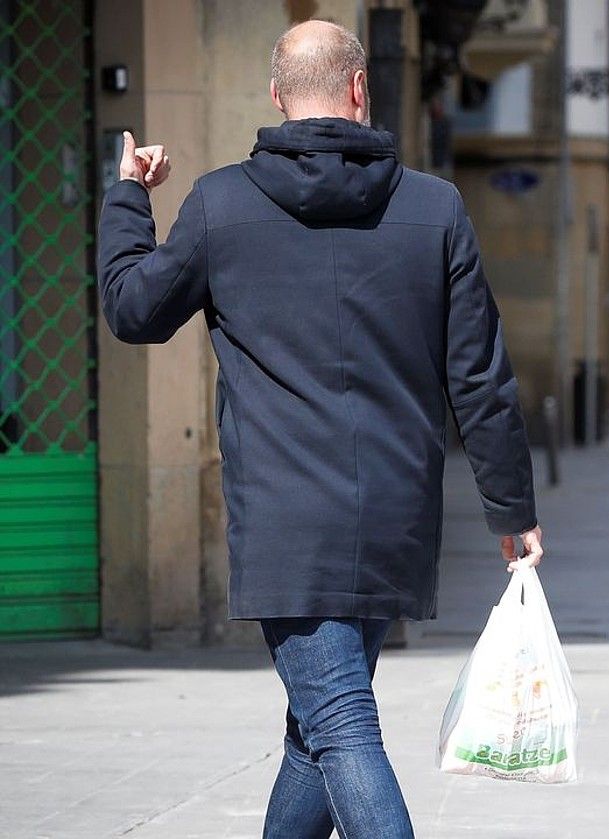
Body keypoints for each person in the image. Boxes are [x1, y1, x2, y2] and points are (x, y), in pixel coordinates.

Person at [97, 21, 541, 839]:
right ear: (360, 89)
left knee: (338, 725)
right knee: (320, 730)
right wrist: (512, 510)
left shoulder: (220, 205)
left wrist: (129, 196)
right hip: (394, 519)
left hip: (287, 525)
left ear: (276, 96)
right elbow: (479, 375)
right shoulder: (436, 208)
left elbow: (132, 309)